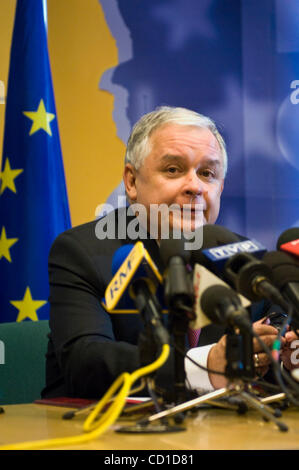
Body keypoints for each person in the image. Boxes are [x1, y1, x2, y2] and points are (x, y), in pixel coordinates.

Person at [42, 106, 296, 400]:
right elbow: (85, 362)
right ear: (132, 182)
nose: (195, 187)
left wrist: (282, 352)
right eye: (173, 170)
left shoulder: (244, 258)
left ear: (220, 187)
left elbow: (272, 346)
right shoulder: (83, 252)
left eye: (207, 173)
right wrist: (204, 366)